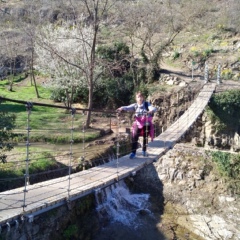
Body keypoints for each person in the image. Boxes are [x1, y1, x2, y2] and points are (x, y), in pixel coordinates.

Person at [117, 91, 156, 159]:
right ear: (136, 98)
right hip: (138, 124)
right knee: (134, 137)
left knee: (145, 137)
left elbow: (153, 108)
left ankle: (144, 150)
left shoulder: (147, 104)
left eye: (141, 96)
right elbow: (127, 107)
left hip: (146, 124)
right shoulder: (135, 105)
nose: (140, 98)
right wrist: (121, 108)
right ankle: (133, 152)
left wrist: (151, 111)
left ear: (143, 97)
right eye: (138, 97)